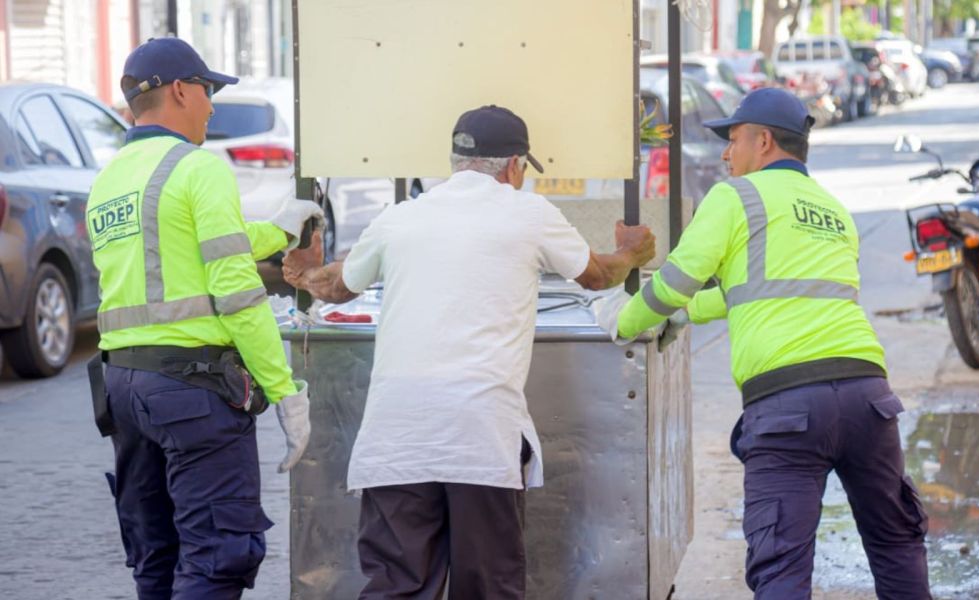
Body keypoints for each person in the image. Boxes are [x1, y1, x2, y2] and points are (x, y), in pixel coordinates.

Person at [281, 105, 656, 599]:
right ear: (515, 166)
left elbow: (334, 286)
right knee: (487, 588)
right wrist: (634, 251)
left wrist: (302, 271)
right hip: (480, 436)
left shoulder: (400, 217)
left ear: (457, 161)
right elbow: (596, 276)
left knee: (397, 587)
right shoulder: (529, 213)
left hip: (397, 439)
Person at [600, 88, 931, 599]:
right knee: (895, 543)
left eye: (733, 140)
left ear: (765, 141)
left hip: (788, 406)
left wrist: (626, 319)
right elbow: (756, 294)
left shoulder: (736, 197)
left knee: (781, 567)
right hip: (868, 397)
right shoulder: (834, 210)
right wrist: (687, 315)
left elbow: (675, 281)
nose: (726, 154)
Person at [87, 38, 321, 598]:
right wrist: (283, 390)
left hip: (123, 389)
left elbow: (187, 248)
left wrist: (280, 230)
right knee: (219, 555)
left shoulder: (111, 180)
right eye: (208, 91)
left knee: (156, 556)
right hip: (191, 393)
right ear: (180, 91)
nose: (212, 106)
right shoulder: (196, 168)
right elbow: (237, 294)